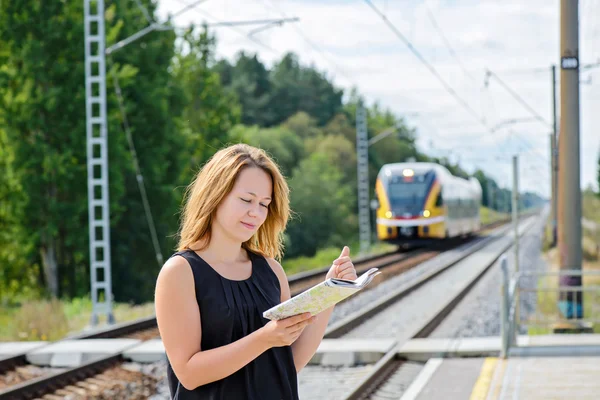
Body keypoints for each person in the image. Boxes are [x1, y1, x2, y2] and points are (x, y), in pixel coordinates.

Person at [154, 143, 357, 399]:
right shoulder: (180, 272)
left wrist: (331, 293)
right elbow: (189, 373)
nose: (256, 213)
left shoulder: (270, 270)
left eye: (264, 204)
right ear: (215, 195)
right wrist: (265, 338)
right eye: (246, 200)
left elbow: (286, 365)